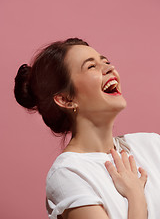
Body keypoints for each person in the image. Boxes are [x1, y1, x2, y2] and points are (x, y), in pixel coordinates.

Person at [14, 38, 160, 219]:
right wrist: (137, 197)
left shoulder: (152, 145)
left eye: (106, 61)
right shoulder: (69, 174)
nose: (109, 68)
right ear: (66, 99)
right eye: (91, 67)